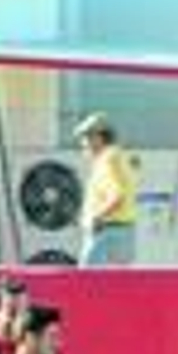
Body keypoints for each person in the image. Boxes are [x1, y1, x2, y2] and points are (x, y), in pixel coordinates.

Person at [75, 112, 138, 267]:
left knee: (88, 279)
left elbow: (117, 195)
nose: (82, 143)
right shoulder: (116, 156)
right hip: (121, 230)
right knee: (116, 280)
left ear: (98, 137)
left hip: (107, 232)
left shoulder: (108, 159)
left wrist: (95, 217)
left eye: (85, 137)